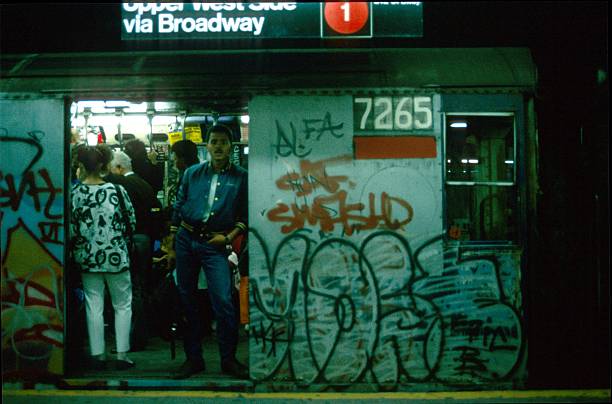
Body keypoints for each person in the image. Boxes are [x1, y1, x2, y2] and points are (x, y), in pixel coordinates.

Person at [168, 124, 248, 379]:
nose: (218, 146)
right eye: (214, 141)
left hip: (215, 244)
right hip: (186, 239)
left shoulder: (241, 177)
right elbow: (179, 205)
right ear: (207, 145)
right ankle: (194, 359)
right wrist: (171, 242)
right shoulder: (192, 173)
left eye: (223, 142)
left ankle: (228, 359)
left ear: (231, 146)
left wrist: (228, 237)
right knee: (187, 299)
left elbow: (245, 214)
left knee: (223, 301)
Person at [70, 144, 136, 370]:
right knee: (122, 305)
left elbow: (70, 228)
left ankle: (98, 355)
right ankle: (123, 354)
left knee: (93, 305)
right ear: (103, 165)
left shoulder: (75, 193)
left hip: (87, 257)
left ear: (81, 165)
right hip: (117, 254)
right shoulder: (117, 191)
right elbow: (131, 222)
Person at [106, 150, 161, 351]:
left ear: (119, 168)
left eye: (111, 169)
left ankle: (132, 337)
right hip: (146, 239)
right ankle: (140, 334)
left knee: (130, 288)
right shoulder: (143, 183)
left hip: (133, 240)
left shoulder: (123, 185)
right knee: (140, 286)